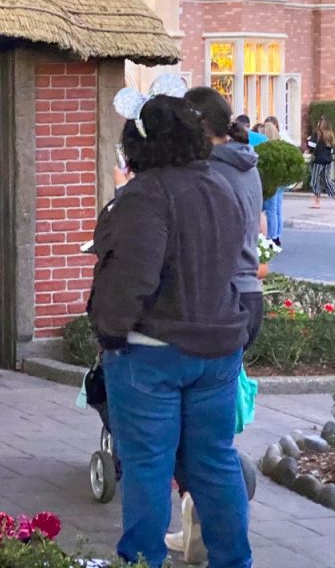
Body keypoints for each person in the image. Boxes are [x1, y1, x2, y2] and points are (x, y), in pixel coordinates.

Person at [88, 94, 251, 568]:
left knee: (147, 468)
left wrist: (110, 334)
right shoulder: (221, 186)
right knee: (215, 464)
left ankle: (141, 561)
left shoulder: (145, 195)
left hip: (152, 352)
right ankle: (233, 561)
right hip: (218, 346)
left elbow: (130, 278)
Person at [259, 119, 284, 245]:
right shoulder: (281, 146)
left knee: (269, 210)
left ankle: (271, 236)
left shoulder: (266, 148)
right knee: (277, 209)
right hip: (280, 180)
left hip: (271, 180)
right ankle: (277, 235)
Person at [306, 116, 335, 209]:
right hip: (328, 160)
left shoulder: (317, 134)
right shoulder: (331, 135)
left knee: (314, 180)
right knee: (327, 180)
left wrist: (308, 140)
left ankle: (317, 202)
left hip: (318, 160)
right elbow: (332, 149)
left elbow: (311, 146)